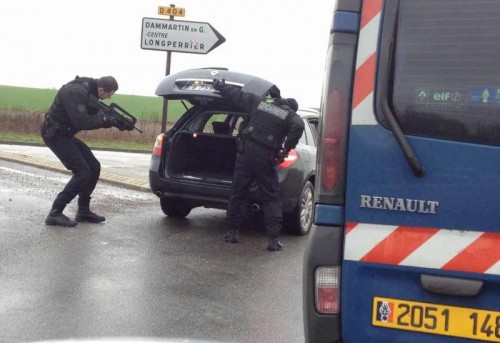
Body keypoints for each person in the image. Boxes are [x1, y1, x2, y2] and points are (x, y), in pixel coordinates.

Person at [212, 78, 305, 251]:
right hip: (266, 157)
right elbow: (298, 125)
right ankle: (272, 240)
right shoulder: (290, 115)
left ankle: (232, 233)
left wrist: (219, 85)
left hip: (245, 153)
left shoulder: (260, 103)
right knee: (270, 198)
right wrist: (285, 149)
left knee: (238, 193)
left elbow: (236, 95)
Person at [41, 75, 134, 227]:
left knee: (94, 166)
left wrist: (118, 122)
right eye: (109, 94)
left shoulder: (89, 92)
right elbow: (82, 120)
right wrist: (105, 121)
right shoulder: (75, 92)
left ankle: (83, 211)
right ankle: (55, 213)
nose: (109, 98)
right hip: (54, 134)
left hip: (65, 134)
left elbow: (97, 112)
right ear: (102, 89)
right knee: (83, 172)